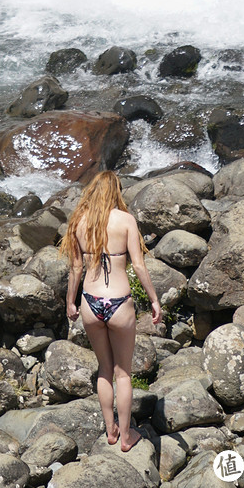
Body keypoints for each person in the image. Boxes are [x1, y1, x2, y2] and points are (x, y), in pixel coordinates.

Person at [59, 169, 163, 452]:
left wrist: (70, 301)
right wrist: (154, 300)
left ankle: (111, 430)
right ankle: (127, 436)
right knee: (123, 373)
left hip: (90, 302)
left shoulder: (80, 221)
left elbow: (75, 268)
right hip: (118, 302)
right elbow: (139, 266)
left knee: (104, 369)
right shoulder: (126, 220)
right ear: (117, 191)